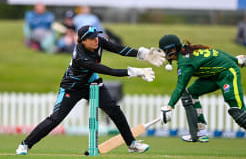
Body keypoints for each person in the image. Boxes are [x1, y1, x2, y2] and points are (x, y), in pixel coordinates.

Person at [16, 25, 165, 155]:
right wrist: (132, 72)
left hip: (92, 83)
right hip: (72, 88)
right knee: (55, 119)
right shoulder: (80, 57)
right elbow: (107, 70)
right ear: (82, 41)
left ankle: (131, 144)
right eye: (91, 38)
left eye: (96, 36)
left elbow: (118, 49)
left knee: (114, 110)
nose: (96, 40)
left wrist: (142, 54)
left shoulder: (98, 42)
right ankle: (25, 144)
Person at [158, 34, 246, 157]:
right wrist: (236, 59)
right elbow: (216, 52)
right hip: (213, 76)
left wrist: (169, 106)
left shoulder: (185, 62)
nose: (163, 54)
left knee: (238, 111)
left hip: (227, 73)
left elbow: (180, 86)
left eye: (164, 51)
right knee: (189, 94)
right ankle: (200, 130)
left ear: (172, 49)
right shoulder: (188, 50)